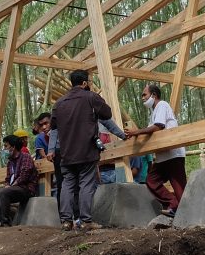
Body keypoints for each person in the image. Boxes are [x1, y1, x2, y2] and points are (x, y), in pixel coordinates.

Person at [51, 69, 115, 231]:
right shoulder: (90, 97)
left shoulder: (59, 103)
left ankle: (66, 221)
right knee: (86, 184)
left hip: (66, 154)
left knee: (67, 185)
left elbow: (53, 128)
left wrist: (52, 149)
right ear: (85, 83)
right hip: (86, 151)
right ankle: (86, 221)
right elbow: (107, 114)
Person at [127, 84, 186, 216]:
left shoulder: (162, 105)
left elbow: (158, 126)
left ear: (153, 95)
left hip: (173, 154)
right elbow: (150, 131)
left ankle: (186, 214)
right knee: (151, 180)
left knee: (179, 187)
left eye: (144, 94)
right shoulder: (153, 113)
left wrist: (137, 132)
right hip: (162, 157)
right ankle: (173, 203)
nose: (142, 98)